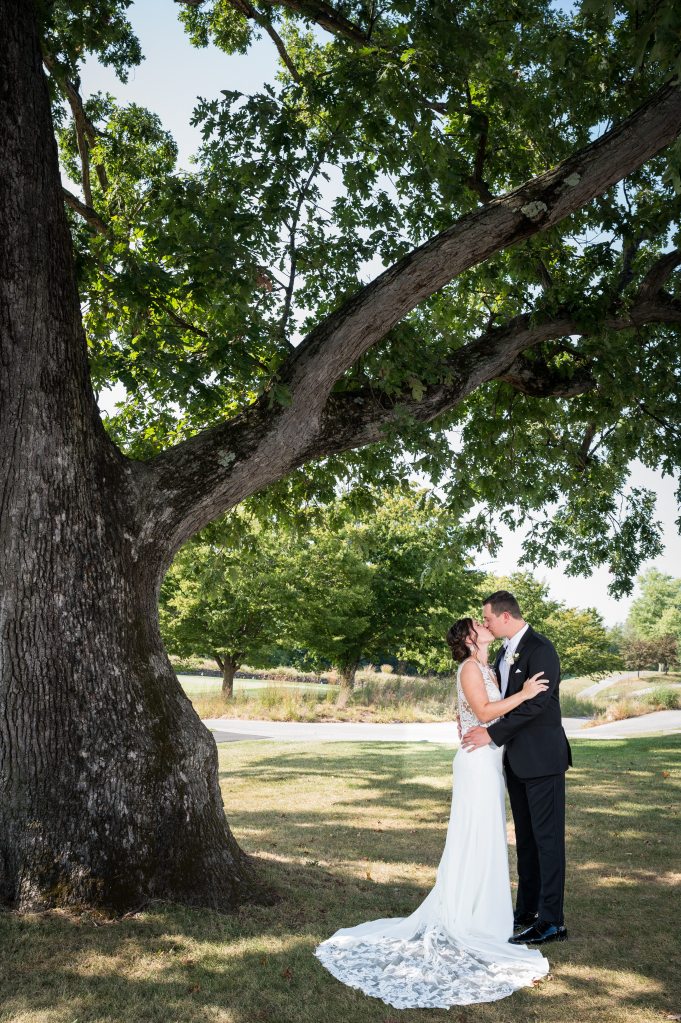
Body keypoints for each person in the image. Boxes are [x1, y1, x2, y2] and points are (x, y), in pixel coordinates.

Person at [314, 617, 551, 1009]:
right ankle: (467, 916)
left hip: (490, 760)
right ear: (469, 638)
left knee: (486, 837)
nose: (484, 624)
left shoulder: (489, 668)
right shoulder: (470, 667)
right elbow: (484, 711)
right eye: (478, 623)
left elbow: (476, 713)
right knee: (474, 836)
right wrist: (525, 694)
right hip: (476, 763)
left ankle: (483, 912)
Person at [461, 590, 572, 946]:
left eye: (488, 618)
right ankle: (526, 911)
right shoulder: (502, 654)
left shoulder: (541, 649)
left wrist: (491, 734)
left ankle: (552, 921)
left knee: (548, 840)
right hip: (515, 761)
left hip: (543, 760)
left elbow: (535, 706)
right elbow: (499, 701)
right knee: (526, 839)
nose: (486, 624)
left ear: (505, 616)